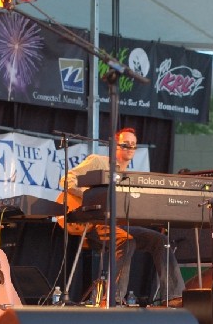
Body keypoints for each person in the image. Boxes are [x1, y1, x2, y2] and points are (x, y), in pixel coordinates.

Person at [59, 127, 185, 305]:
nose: (129, 147)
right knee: (126, 241)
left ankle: (174, 296)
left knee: (160, 240)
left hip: (116, 225)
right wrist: (91, 198)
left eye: (133, 145)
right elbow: (66, 180)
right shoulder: (98, 162)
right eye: (125, 144)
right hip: (91, 222)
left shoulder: (130, 177)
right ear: (115, 146)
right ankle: (113, 298)